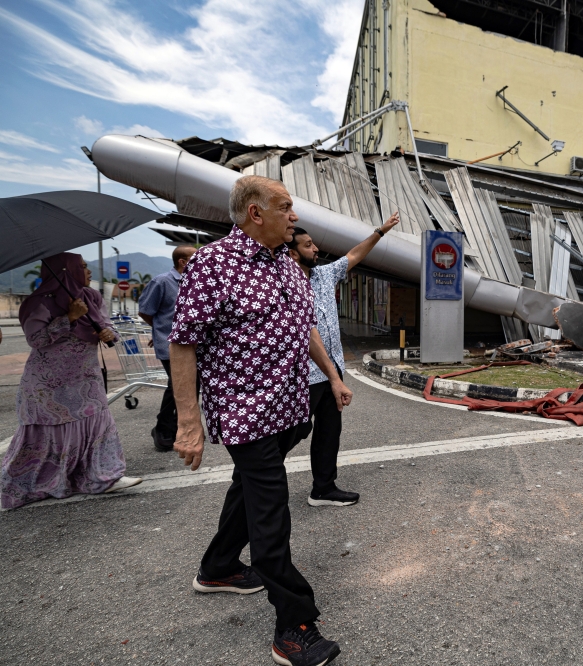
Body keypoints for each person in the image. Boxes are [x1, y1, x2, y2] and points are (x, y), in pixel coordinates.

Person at [169, 175, 350, 666]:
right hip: (244, 414)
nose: (294, 216)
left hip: (288, 410)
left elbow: (303, 326)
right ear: (255, 212)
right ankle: (293, 626)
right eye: (286, 207)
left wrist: (331, 376)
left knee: (247, 490)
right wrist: (189, 424)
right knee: (270, 510)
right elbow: (182, 343)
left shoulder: (287, 266)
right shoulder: (212, 266)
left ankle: (218, 567)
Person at [1, 253, 141, 509]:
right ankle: (31, 482)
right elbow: (37, 340)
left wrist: (109, 331)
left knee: (99, 424)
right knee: (48, 434)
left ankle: (105, 476)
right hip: (48, 386)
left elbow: (106, 324)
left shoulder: (91, 297)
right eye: (83, 267)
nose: (88, 272)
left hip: (85, 380)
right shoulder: (38, 304)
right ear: (66, 271)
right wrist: (69, 318)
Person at [285, 212, 398, 507]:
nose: (316, 249)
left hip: (332, 369)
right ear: (292, 254)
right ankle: (257, 481)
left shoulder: (323, 274)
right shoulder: (283, 285)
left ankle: (322, 488)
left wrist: (380, 231)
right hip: (303, 373)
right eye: (308, 246)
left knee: (329, 432)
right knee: (291, 432)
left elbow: (353, 255)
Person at [138, 245, 197, 452]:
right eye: (195, 257)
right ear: (183, 261)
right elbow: (146, 311)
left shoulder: (196, 283)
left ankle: (181, 427)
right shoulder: (162, 282)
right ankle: (162, 428)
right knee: (177, 387)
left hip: (193, 345)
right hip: (170, 345)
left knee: (191, 387)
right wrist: (159, 331)